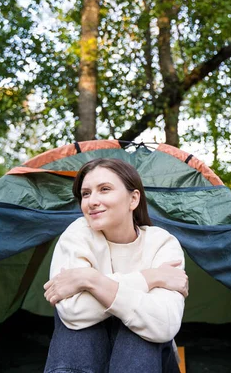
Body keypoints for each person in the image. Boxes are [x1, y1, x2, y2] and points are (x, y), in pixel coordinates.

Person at [42, 158, 188, 373]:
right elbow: (73, 312)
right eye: (86, 193)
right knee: (79, 327)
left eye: (105, 189)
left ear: (133, 199)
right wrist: (150, 278)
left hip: (146, 359)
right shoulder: (77, 235)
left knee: (140, 328)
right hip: (84, 351)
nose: (92, 201)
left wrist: (90, 280)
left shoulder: (162, 244)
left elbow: (164, 324)